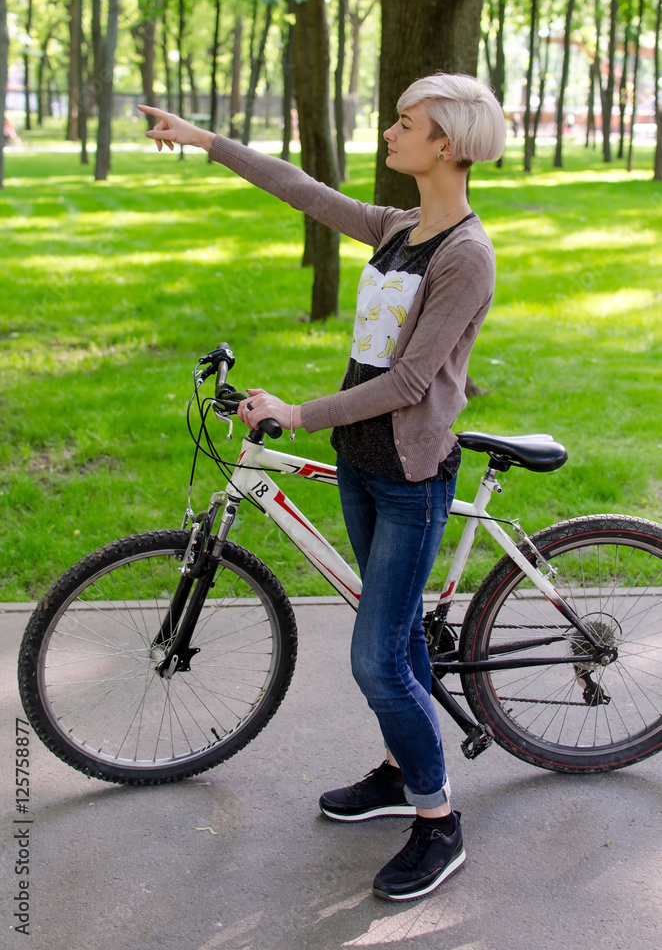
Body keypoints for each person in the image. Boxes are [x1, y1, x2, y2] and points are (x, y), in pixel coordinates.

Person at [139, 73, 506, 903]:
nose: (390, 130)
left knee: (377, 662)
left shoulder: (466, 256)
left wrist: (298, 412)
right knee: (401, 638)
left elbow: (412, 381)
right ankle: (397, 770)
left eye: (405, 123)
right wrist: (203, 139)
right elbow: (300, 189)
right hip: (362, 467)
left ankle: (438, 820)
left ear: (444, 145)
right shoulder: (399, 227)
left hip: (411, 476)